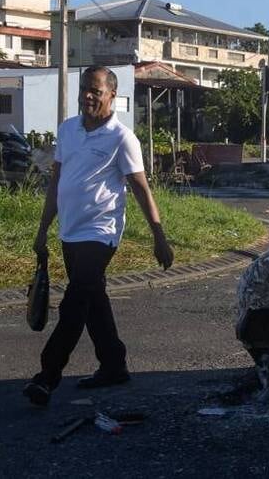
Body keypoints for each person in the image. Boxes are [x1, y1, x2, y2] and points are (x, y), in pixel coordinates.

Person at [22, 66, 173, 406]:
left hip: (101, 232)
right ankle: (113, 364)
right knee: (93, 300)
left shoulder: (122, 138)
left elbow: (140, 189)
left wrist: (158, 237)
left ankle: (47, 377)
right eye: (84, 90)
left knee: (75, 302)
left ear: (111, 96)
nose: (88, 96)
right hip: (70, 231)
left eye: (96, 91)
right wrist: (42, 230)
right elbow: (56, 183)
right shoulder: (68, 130)